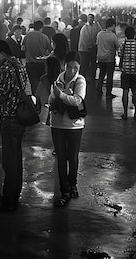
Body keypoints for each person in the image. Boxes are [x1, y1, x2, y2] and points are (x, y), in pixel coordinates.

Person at [0, 40, 29, 211]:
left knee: (9, 160)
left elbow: (0, 96)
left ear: (1, 54)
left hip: (9, 118)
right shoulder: (18, 64)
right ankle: (14, 193)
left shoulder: (5, 68)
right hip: (20, 118)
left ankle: (9, 199)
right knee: (16, 157)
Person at [49, 51, 87, 207]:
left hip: (74, 125)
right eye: (69, 66)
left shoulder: (80, 80)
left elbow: (78, 99)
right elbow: (50, 99)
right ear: (64, 64)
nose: (71, 71)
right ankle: (64, 190)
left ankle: (73, 184)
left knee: (72, 156)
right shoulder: (57, 80)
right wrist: (59, 95)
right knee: (61, 158)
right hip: (57, 123)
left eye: (75, 67)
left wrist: (61, 95)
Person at [118, 26, 136, 120]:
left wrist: (121, 66)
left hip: (125, 70)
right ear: (134, 34)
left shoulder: (123, 45)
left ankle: (125, 113)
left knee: (125, 91)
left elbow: (120, 56)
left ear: (126, 35)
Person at [22, 20, 52, 94]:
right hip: (41, 64)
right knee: (42, 83)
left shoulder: (27, 36)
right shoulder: (44, 37)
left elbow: (22, 48)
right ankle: (40, 100)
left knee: (33, 83)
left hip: (30, 63)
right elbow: (50, 49)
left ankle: (34, 100)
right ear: (41, 28)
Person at [95, 18, 119, 98]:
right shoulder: (113, 35)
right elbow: (117, 46)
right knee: (109, 76)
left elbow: (97, 44)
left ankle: (99, 89)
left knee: (101, 74)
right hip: (110, 59)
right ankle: (108, 92)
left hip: (100, 58)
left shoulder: (99, 34)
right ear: (112, 25)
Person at [78, 13, 101, 82]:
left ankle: (92, 77)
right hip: (84, 49)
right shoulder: (85, 28)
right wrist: (91, 45)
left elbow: (99, 33)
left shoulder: (96, 26)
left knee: (93, 64)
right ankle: (82, 79)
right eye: (89, 18)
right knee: (84, 64)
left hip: (92, 48)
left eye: (92, 18)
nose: (91, 19)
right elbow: (86, 38)